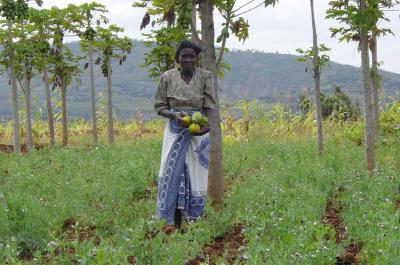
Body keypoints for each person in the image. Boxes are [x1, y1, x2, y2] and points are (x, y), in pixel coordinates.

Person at [154, 40, 217, 234]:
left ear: (196, 59)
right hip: (175, 129)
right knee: (171, 171)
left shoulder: (205, 76)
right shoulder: (167, 77)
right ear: (178, 59)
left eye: (191, 56)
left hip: (198, 130)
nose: (188, 60)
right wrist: (174, 115)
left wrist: (206, 129)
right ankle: (169, 220)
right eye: (184, 56)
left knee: (195, 174)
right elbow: (159, 106)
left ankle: (193, 218)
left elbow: (210, 106)